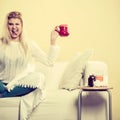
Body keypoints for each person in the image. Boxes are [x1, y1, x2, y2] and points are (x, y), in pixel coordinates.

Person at [0, 11, 60, 97]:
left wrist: (53, 40)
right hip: (1, 84)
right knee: (1, 88)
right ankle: (5, 92)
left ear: (22, 26)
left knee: (39, 77)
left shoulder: (29, 44)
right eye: (10, 24)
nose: (14, 27)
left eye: (17, 24)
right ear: (7, 26)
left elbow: (49, 62)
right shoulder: (1, 44)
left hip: (19, 83)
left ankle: (3, 95)